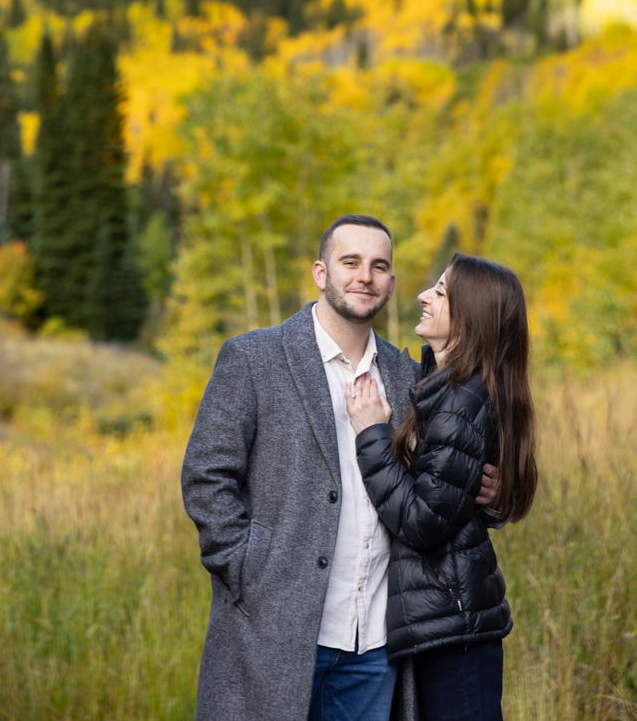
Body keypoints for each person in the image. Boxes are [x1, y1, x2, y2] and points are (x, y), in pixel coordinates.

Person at [181, 216, 499, 721]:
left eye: (379, 266)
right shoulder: (253, 358)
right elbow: (206, 477)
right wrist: (246, 569)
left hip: (373, 645)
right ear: (320, 272)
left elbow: (441, 480)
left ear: (392, 283)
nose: (364, 276)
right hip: (272, 629)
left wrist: (491, 493)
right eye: (350, 262)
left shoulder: (407, 374)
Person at [346, 253, 537, 721]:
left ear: (469, 316)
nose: (422, 296)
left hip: (455, 630)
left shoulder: (458, 402)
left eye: (440, 292)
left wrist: (371, 435)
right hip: (445, 620)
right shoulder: (444, 387)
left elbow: (424, 521)